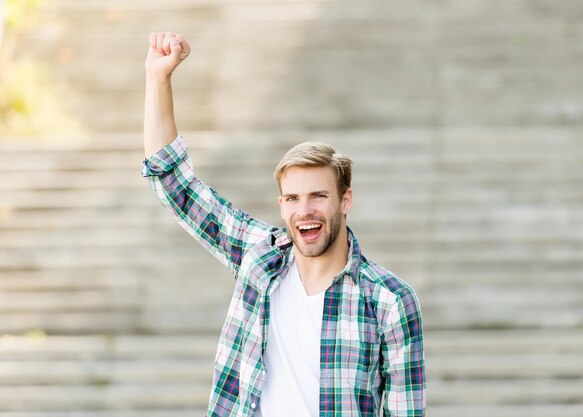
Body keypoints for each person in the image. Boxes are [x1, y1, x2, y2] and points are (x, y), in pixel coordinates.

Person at [142, 31, 426, 417]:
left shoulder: (389, 301)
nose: (304, 210)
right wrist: (158, 78)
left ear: (346, 200)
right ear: (281, 205)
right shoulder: (258, 256)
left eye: (318, 196)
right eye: (292, 198)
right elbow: (176, 184)